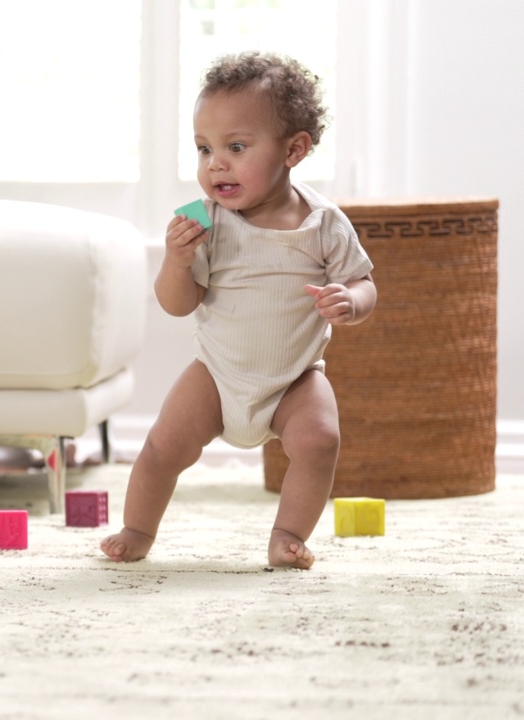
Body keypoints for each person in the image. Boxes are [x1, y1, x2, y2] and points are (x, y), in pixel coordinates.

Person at [100, 51, 377, 570]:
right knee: (162, 447)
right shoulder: (201, 220)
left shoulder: (324, 223)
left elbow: (363, 281)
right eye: (204, 149)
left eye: (235, 147)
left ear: (294, 150)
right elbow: (177, 305)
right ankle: (137, 528)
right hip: (216, 376)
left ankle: (287, 536)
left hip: (295, 380)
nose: (215, 164)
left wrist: (351, 300)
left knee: (321, 440)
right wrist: (178, 263)